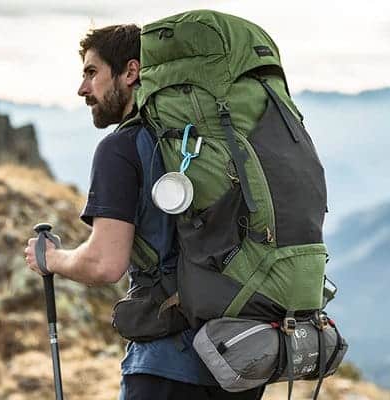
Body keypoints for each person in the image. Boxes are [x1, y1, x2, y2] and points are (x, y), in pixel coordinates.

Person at [24, 24, 265, 400]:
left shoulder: (121, 148)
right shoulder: (215, 142)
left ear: (131, 72)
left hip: (167, 364)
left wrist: (52, 259)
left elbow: (104, 263)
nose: (83, 89)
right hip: (239, 360)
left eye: (92, 72)